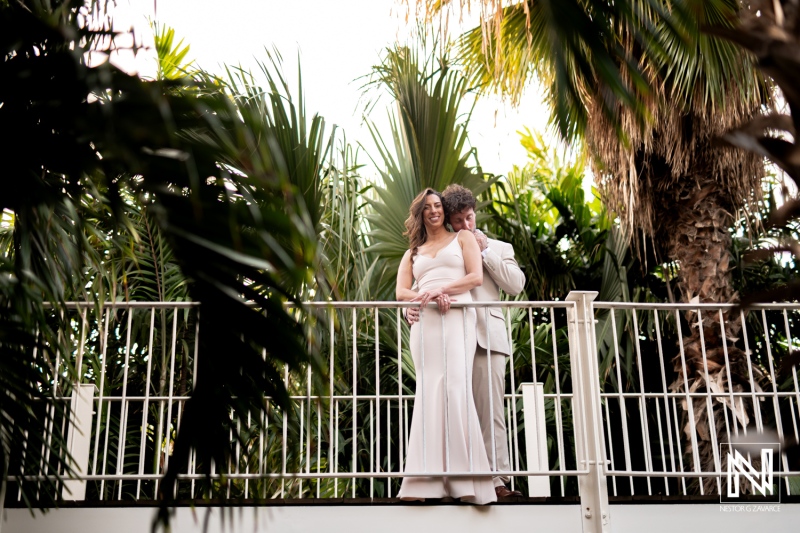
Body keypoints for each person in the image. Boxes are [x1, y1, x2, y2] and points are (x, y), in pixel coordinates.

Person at [407, 184, 525, 498]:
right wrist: (414, 305)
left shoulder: (498, 247)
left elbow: (516, 285)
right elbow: (423, 282)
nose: (465, 227)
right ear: (448, 220)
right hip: (447, 333)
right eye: (458, 222)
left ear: (475, 213)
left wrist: (485, 251)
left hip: (486, 337)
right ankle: (453, 479)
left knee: (490, 411)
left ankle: (497, 481)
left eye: (469, 219)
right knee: (451, 405)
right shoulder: (446, 246)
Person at [395, 188, 497, 505]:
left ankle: (466, 482)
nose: (434, 211)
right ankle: (424, 483)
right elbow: (401, 291)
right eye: (428, 207)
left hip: (456, 317)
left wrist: (442, 289)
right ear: (421, 214)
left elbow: (475, 278)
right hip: (426, 323)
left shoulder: (462, 238)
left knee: (455, 387)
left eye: (438, 205)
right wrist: (416, 301)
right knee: (429, 390)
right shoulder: (413, 252)